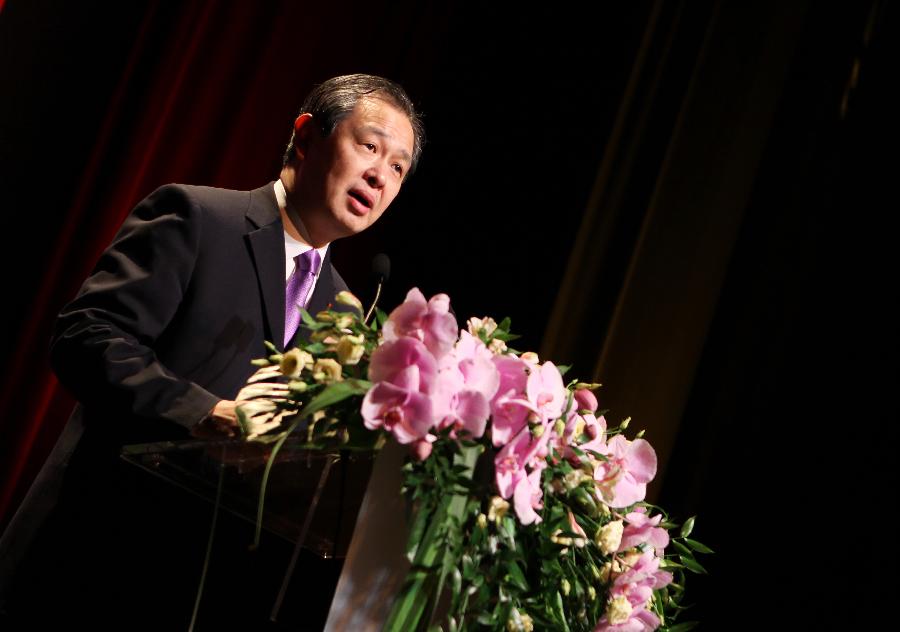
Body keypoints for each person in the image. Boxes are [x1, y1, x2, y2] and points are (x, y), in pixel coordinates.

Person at [0, 73, 424, 629]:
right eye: (369, 146)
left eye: (398, 167)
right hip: (87, 551)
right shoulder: (196, 217)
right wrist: (204, 413)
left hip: (199, 591)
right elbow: (88, 336)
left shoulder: (345, 312)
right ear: (306, 136)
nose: (380, 175)